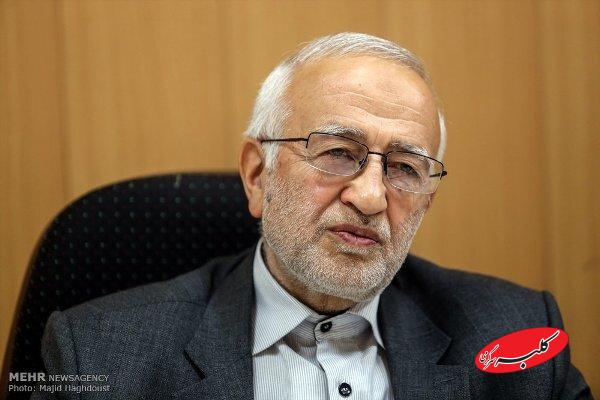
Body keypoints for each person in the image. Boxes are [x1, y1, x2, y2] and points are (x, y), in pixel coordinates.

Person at [33, 32, 591, 399]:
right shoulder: (99, 355)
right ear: (258, 175)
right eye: (338, 153)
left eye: (404, 167)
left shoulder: (518, 337)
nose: (370, 197)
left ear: (426, 198)